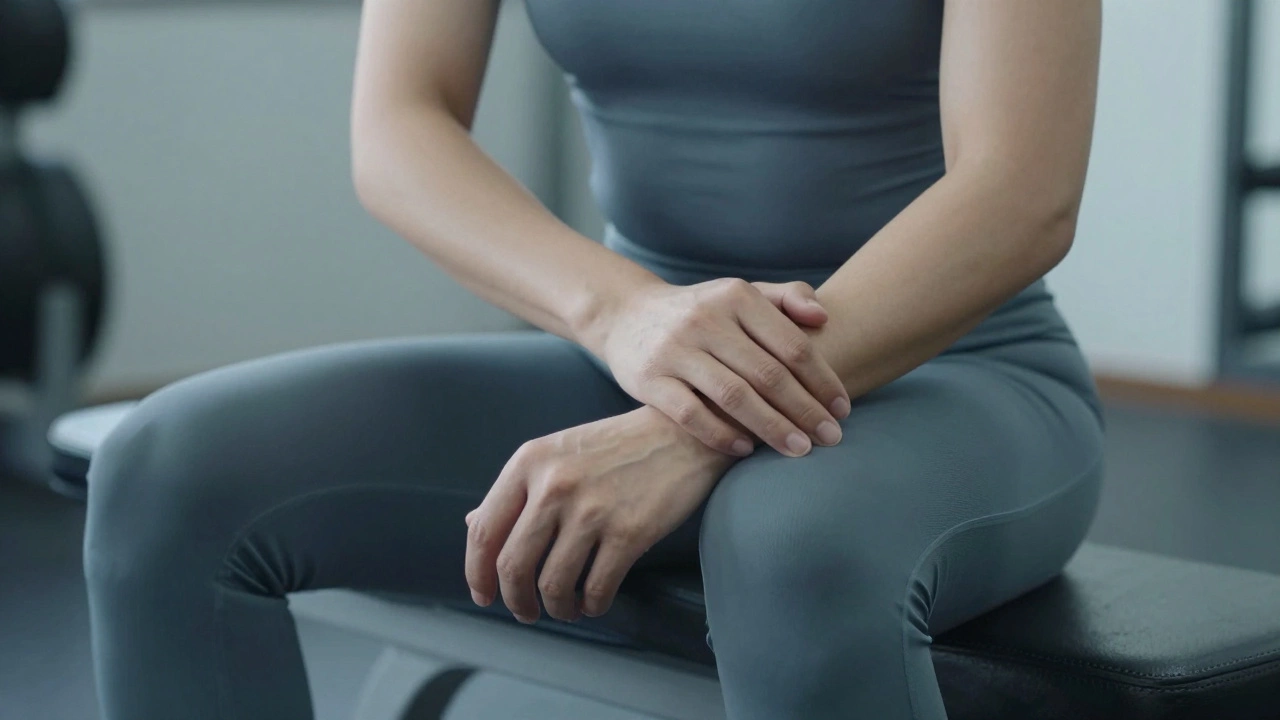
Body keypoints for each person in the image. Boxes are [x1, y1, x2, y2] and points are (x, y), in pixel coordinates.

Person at [83, 0, 1105, 717]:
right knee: (168, 472)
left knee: (788, 540)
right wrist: (625, 320)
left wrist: (692, 420)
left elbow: (1018, 194)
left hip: (953, 371)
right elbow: (398, 125)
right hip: (629, 348)